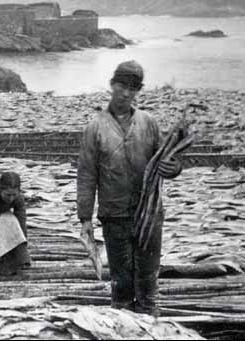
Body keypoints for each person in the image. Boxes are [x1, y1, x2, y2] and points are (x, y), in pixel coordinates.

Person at [77, 60, 184, 316]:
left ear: (138, 91)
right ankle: (122, 323)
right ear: (112, 85)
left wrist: (175, 168)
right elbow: (87, 175)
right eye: (122, 85)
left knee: (148, 280)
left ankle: (149, 324)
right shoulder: (95, 127)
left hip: (148, 215)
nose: (126, 93)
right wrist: (85, 218)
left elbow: (166, 158)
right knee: (122, 282)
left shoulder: (148, 122)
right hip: (114, 215)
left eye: (133, 88)